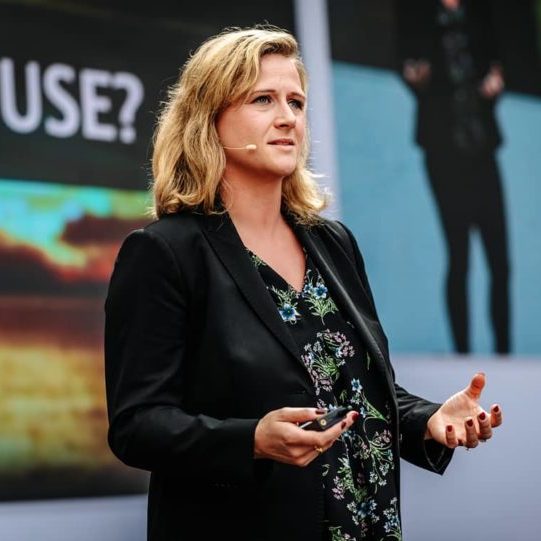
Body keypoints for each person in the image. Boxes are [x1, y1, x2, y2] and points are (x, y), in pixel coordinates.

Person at [104, 26, 503, 541]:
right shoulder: (164, 253)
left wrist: (428, 419)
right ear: (208, 119)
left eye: (296, 102)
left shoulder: (333, 244)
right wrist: (252, 440)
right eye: (262, 99)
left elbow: (353, 390)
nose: (287, 117)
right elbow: (138, 426)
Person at [395, 0, 511, 354]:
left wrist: (497, 78)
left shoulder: (479, 13)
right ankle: (462, 354)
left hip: (482, 146)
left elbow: (498, 63)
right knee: (459, 254)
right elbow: (406, 63)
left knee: (499, 260)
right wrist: (414, 75)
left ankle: (505, 353)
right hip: (443, 152)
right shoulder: (418, 14)